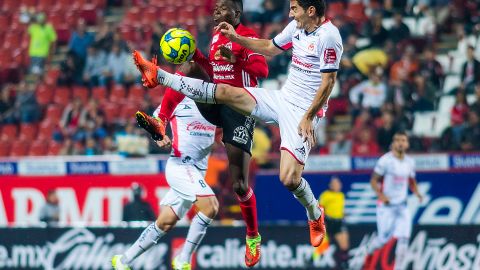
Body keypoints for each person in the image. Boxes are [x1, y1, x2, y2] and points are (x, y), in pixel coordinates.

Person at [133, 0, 342, 248]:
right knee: (224, 91)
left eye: (294, 9)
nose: (290, 13)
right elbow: (270, 47)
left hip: (303, 112)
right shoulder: (295, 27)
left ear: (310, 11)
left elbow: (328, 83)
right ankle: (159, 76)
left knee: (288, 179)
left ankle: (315, 213)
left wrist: (309, 116)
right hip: (281, 98)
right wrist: (235, 38)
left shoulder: (329, 36)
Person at [135, 0, 268, 266]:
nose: (217, 12)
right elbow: (211, 69)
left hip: (239, 109)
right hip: (215, 99)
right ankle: (161, 118)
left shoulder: (248, 37)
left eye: (223, 8)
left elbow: (262, 70)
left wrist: (236, 57)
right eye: (216, 8)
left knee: (240, 184)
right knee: (190, 68)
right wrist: (195, 55)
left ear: (237, 13)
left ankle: (252, 236)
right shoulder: (216, 35)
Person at [112, 64, 219, 270]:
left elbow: (221, 129)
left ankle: (123, 260)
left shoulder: (212, 100)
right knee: (211, 207)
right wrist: (159, 136)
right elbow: (151, 122)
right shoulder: (176, 100)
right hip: (180, 165)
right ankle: (183, 259)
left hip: (198, 170)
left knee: (165, 222)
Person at [364, 131, 423, 270]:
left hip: (402, 206)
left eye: (403, 140)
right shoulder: (385, 161)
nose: (401, 143)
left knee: (404, 239)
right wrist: (381, 195)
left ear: (407, 144)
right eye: (398, 140)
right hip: (386, 206)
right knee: (383, 239)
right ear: (393, 143)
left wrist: (418, 193)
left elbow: (411, 181)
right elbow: (373, 180)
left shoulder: (410, 162)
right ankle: (369, 250)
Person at [319, 176, 349, 269]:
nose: (338, 185)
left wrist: (344, 214)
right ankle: (312, 260)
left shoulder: (341, 195)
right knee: (323, 245)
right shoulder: (326, 195)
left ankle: (344, 264)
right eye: (335, 183)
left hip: (339, 222)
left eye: (339, 183)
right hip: (328, 222)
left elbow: (339, 209)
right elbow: (319, 209)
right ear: (331, 185)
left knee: (344, 245)